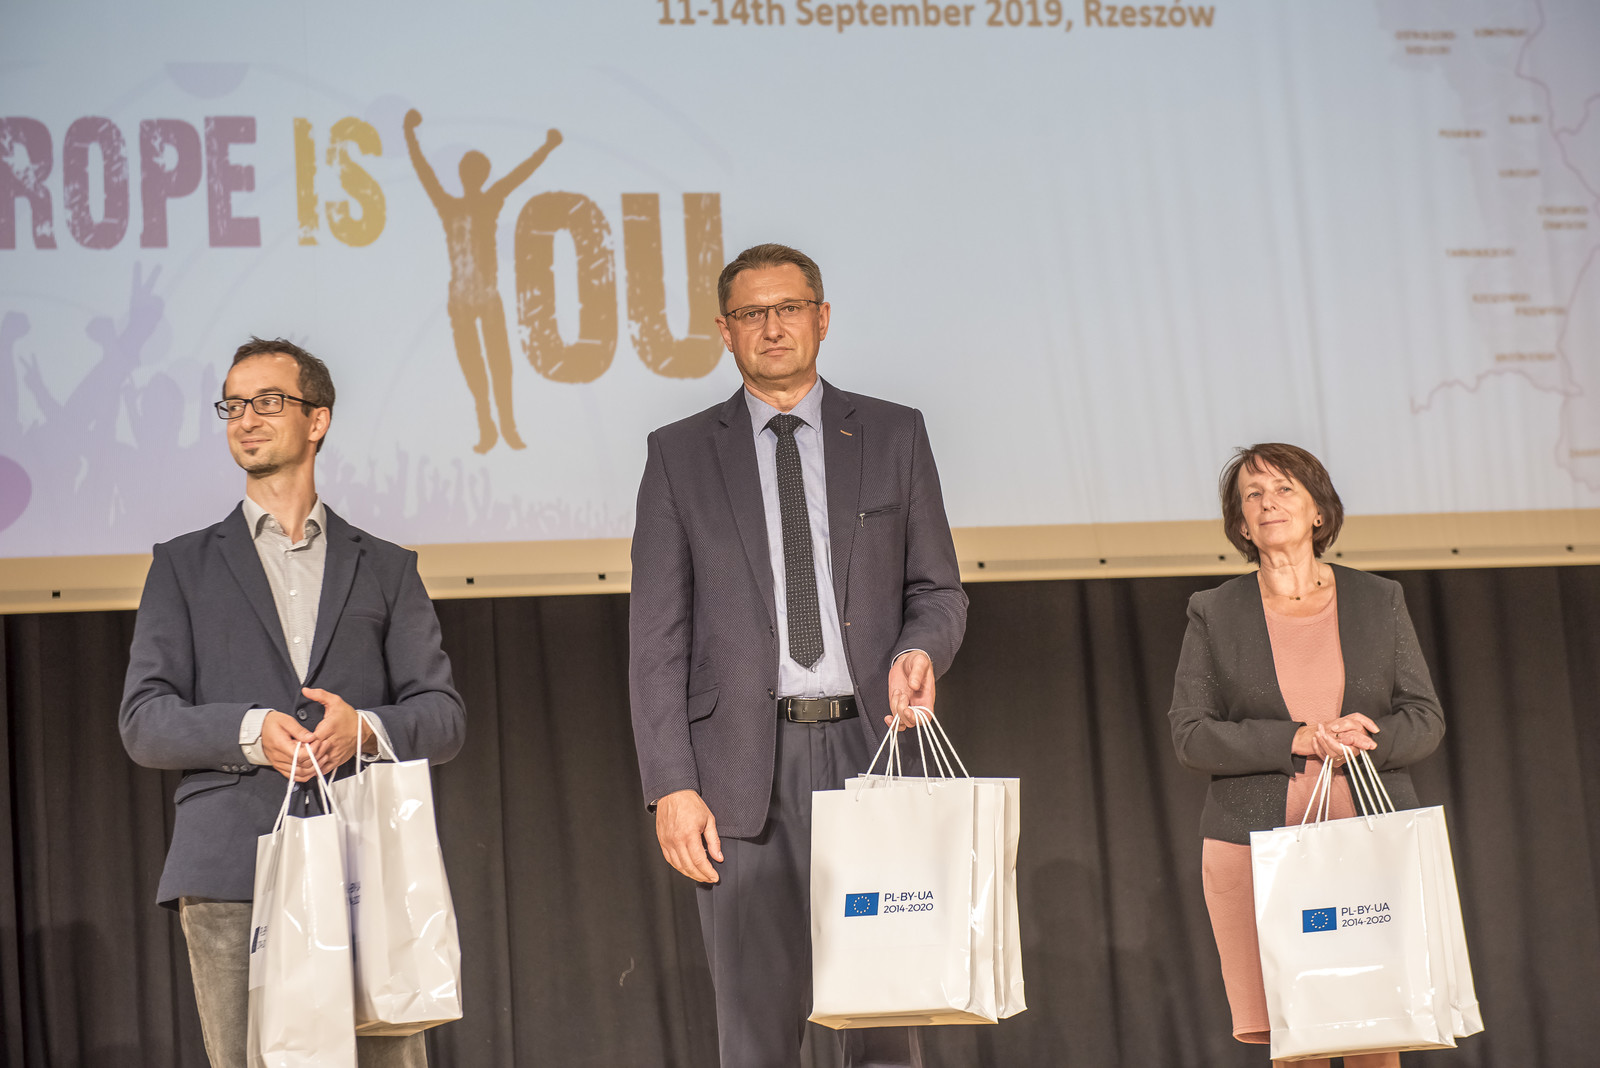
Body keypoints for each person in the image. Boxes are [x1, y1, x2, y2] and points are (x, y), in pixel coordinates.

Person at [628, 243, 968, 1068]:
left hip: (869, 748)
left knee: (884, 1017)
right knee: (757, 1032)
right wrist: (671, 785)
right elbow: (657, 638)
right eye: (752, 313)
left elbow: (938, 591)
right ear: (725, 331)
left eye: (788, 308)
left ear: (822, 318)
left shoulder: (893, 432)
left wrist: (920, 648)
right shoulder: (679, 454)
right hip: (743, 769)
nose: (772, 327)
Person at [120, 337, 466, 1068]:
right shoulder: (182, 565)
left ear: (317, 420)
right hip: (230, 867)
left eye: (268, 402)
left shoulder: (386, 566)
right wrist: (251, 732)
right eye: (233, 405)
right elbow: (144, 723)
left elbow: (442, 716)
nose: (246, 418)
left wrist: (363, 729)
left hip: (362, 862)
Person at [1168, 443, 1446, 1068]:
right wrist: (1291, 738)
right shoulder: (1214, 611)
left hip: (1367, 839)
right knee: (1298, 1040)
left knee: (1375, 1028)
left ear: (1318, 510)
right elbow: (1190, 735)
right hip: (1255, 844)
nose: (1269, 503)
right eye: (1253, 495)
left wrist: (1369, 737)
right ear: (1242, 524)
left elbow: (1425, 720)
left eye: (1284, 489)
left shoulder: (1379, 599)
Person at [403, 108, 562, 453]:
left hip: (487, 298)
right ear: (463, 176)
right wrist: (410, 136)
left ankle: (507, 424)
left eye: (478, 172)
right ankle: (487, 425)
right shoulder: (449, 205)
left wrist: (547, 148)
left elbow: (519, 175)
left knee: (500, 363)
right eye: (468, 172)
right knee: (473, 364)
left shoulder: (490, 201)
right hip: (461, 300)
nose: (473, 177)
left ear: (483, 175)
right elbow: (424, 172)